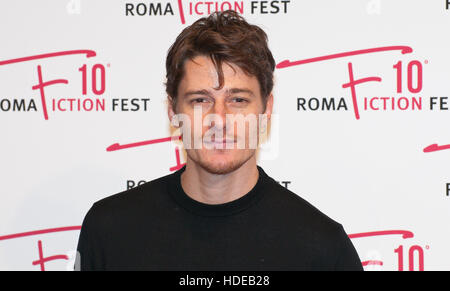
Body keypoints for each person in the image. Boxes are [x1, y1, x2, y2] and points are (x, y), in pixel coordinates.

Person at [75, 10, 363, 271]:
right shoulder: (110, 230)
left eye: (238, 100)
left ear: (266, 110)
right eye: (200, 100)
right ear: (173, 111)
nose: (219, 119)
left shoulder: (323, 249)